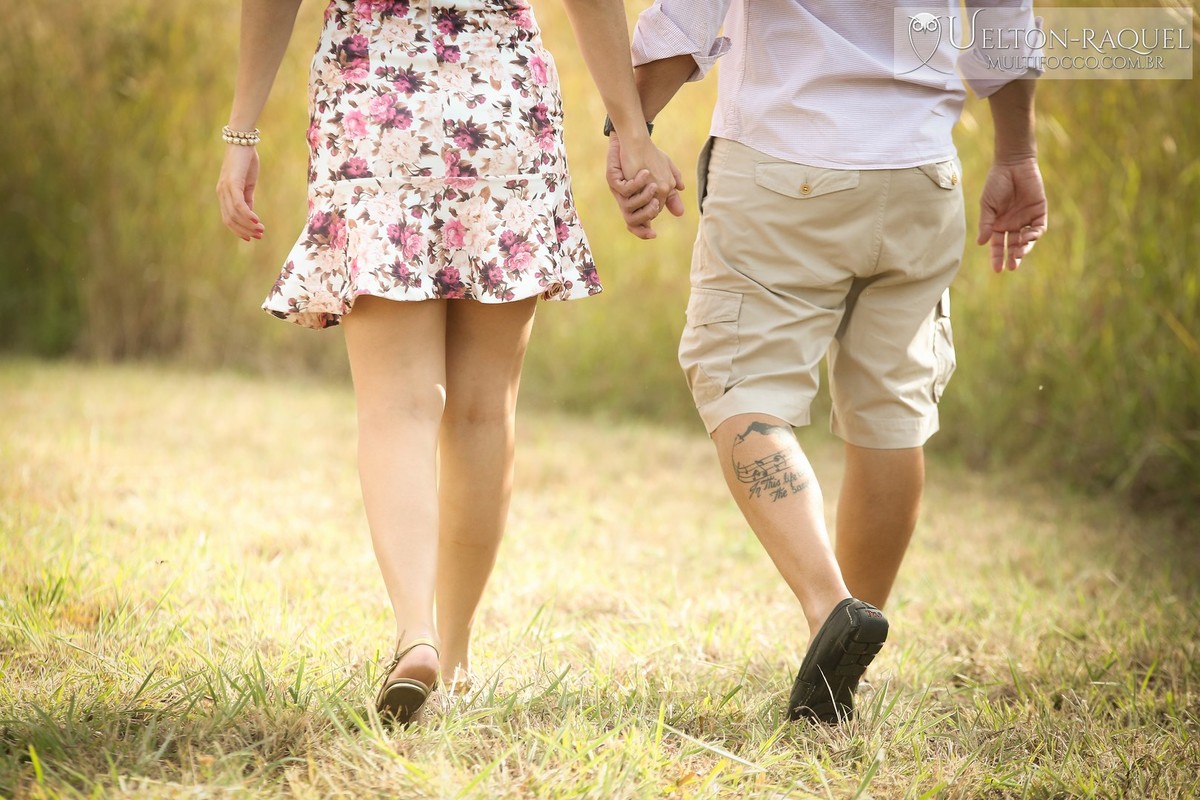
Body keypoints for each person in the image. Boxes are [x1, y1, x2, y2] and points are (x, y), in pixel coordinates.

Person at [217, 0, 680, 725]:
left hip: (374, 95)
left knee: (397, 403)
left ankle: (415, 634)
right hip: (501, 94)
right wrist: (630, 126)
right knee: (481, 408)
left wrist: (243, 129)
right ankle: (457, 658)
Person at [606, 2, 1048, 723]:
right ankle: (838, 663)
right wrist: (1016, 154)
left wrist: (631, 128)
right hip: (920, 177)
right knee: (891, 412)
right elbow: (1004, 16)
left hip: (785, 162)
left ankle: (829, 608)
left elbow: (689, 17)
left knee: (736, 381)